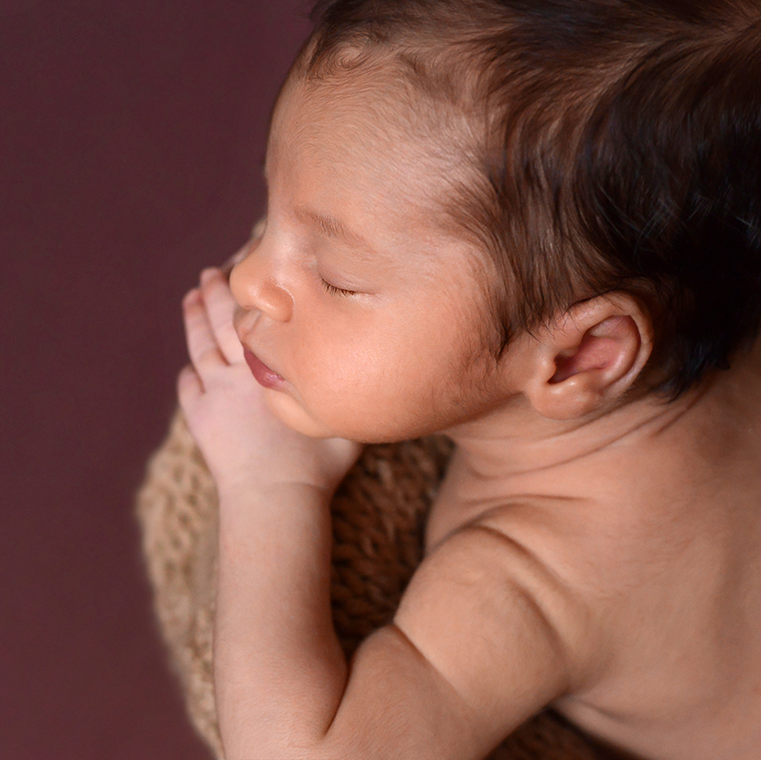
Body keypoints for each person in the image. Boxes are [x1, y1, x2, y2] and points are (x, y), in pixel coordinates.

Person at [176, 0, 761, 758]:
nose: (250, 278)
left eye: (339, 277)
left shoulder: (531, 575)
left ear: (583, 355)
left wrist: (268, 487)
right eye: (270, 210)